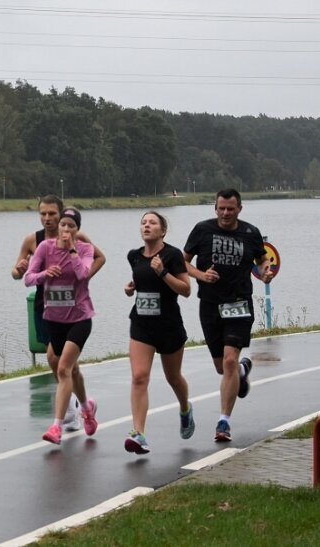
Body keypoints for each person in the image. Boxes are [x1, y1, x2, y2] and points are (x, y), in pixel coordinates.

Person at [183, 188, 274, 442]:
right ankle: (242, 374)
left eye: (230, 209)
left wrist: (266, 271)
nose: (225, 213)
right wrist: (201, 276)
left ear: (239, 209)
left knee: (230, 361)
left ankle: (224, 422)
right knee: (221, 366)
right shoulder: (202, 229)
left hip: (239, 303)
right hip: (210, 304)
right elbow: (182, 261)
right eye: (221, 208)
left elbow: (263, 260)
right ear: (215, 207)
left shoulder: (250, 233)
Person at [11, 195, 105, 431]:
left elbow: (98, 258)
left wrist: (81, 281)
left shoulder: (78, 237)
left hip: (74, 308)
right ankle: (81, 405)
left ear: (62, 214)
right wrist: (18, 269)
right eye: (43, 214)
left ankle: (72, 411)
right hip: (46, 306)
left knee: (62, 363)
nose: (47, 218)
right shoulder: (35, 241)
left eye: (52, 214)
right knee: (58, 362)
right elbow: (19, 273)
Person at [123, 211, 194, 454]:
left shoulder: (172, 255)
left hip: (169, 325)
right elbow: (141, 284)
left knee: (173, 378)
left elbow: (186, 290)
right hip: (141, 324)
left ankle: (185, 408)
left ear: (162, 230)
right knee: (139, 376)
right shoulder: (134, 256)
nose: (147, 226)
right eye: (143, 222)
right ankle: (139, 433)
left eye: (152, 223)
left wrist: (163, 272)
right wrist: (131, 288)